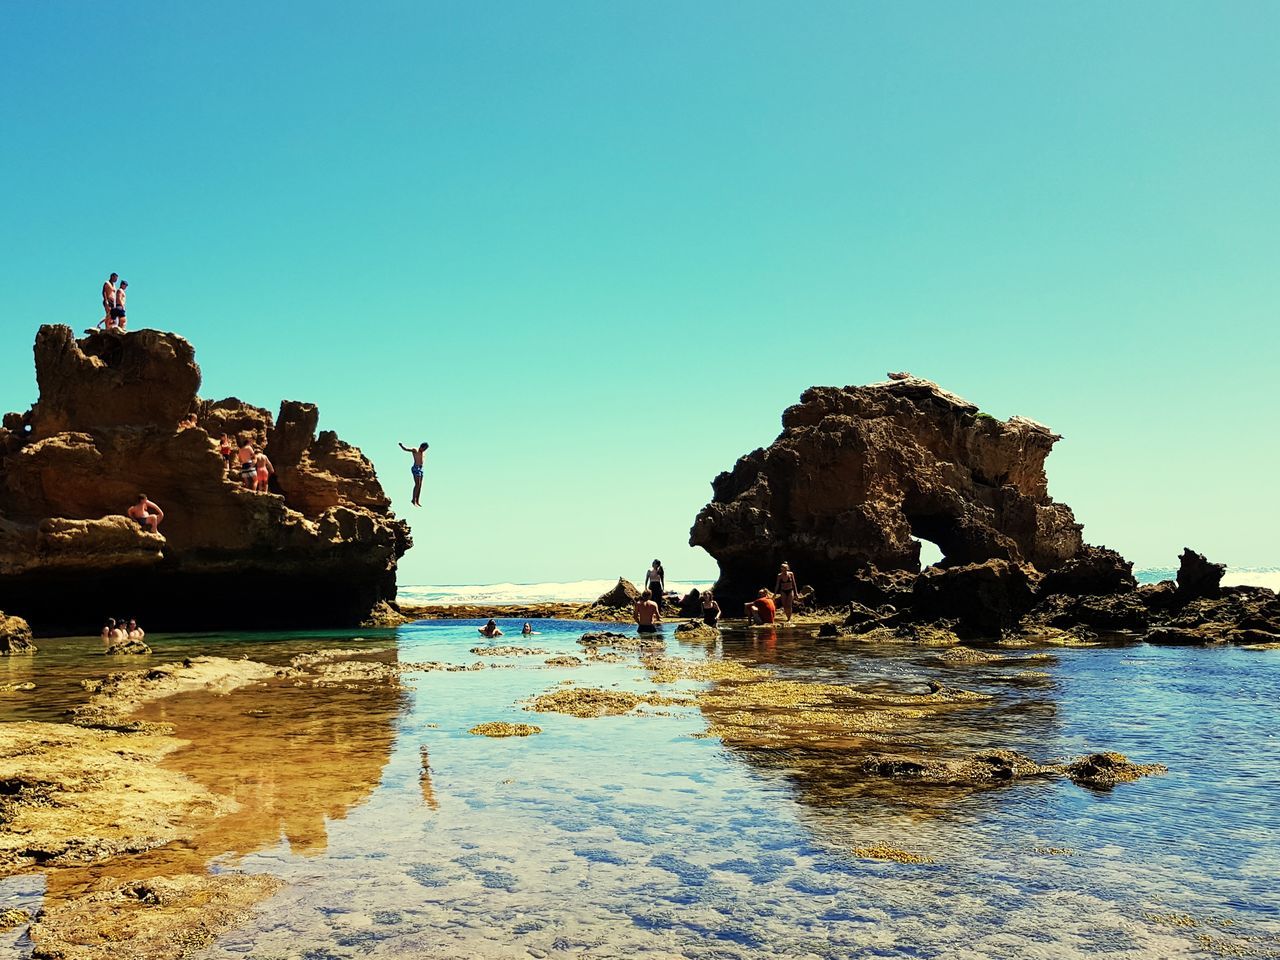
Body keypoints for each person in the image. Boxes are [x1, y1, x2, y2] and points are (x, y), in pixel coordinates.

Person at [398, 442, 429, 507]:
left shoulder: (423, 453)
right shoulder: (415, 450)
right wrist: (402, 446)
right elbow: (406, 449)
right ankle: (413, 500)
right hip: (416, 468)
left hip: (421, 468)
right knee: (417, 484)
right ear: (421, 446)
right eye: (424, 449)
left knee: (420, 485)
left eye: (425, 449)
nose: (424, 450)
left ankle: (417, 500)